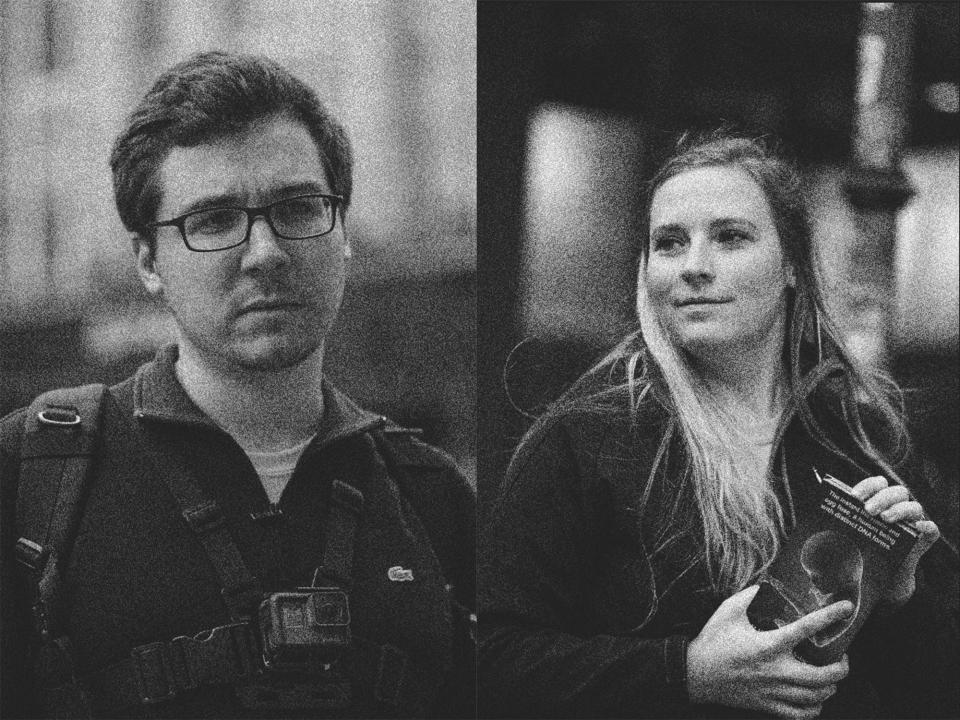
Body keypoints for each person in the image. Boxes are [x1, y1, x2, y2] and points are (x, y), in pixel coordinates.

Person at [0, 51, 475, 719]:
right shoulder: (31, 472)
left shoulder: (435, 497)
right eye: (213, 220)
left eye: (299, 206)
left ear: (342, 232)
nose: (265, 253)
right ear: (148, 262)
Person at [479, 131, 958, 719]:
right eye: (669, 243)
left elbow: (934, 688)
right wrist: (685, 673)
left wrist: (903, 598)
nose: (694, 267)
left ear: (790, 266)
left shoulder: (864, 442)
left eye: (730, 238)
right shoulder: (587, 437)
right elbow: (494, 660)